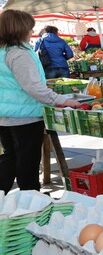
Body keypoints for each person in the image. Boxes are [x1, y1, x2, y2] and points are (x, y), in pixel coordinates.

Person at [0, 10, 81, 195]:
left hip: (5, 116)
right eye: (30, 28)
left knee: (10, 158)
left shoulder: (3, 50)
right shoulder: (19, 54)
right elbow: (34, 88)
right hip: (25, 117)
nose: (32, 32)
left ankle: (5, 199)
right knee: (27, 161)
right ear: (19, 29)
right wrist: (62, 100)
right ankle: (31, 198)